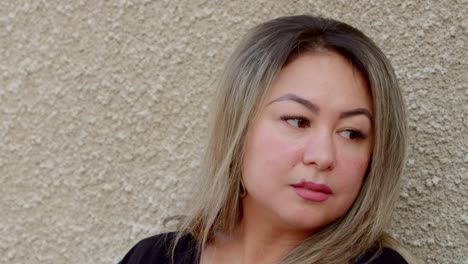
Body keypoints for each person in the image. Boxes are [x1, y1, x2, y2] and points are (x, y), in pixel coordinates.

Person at [120, 15, 418, 264]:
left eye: (351, 132)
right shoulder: (153, 257)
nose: (323, 156)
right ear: (239, 124)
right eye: (298, 120)